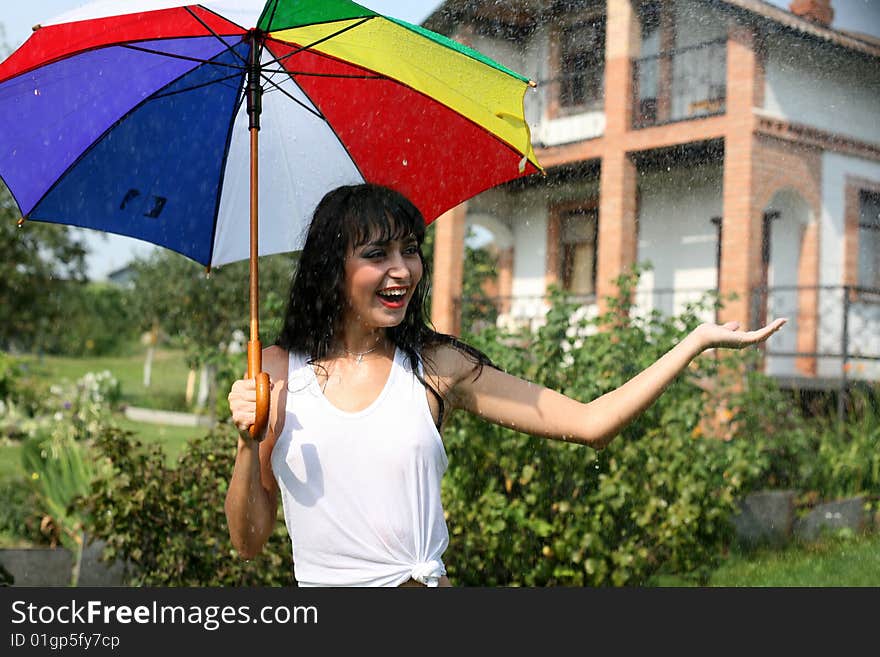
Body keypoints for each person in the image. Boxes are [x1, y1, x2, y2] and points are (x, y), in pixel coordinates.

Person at [225, 183, 786, 588]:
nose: (403, 270)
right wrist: (249, 447)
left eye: (410, 250)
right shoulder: (276, 373)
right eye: (377, 255)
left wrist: (694, 342)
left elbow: (592, 424)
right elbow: (249, 543)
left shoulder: (434, 365)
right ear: (331, 268)